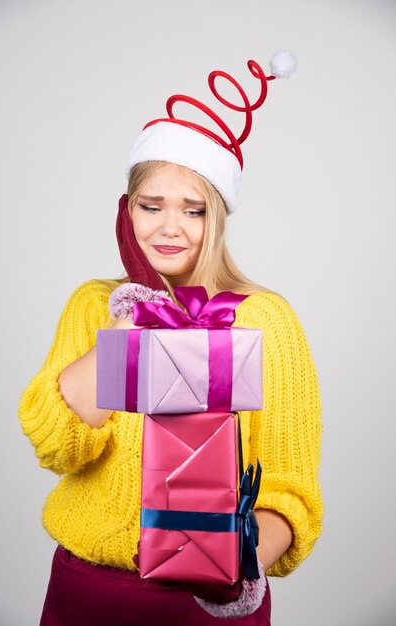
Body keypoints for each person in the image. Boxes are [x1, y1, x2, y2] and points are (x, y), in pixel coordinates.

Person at [18, 51, 322, 626]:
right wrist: (130, 318)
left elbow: (290, 488)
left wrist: (242, 569)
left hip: (209, 603)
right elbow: (57, 444)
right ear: (126, 213)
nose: (169, 227)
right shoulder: (95, 305)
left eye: (193, 210)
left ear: (217, 219)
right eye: (150, 206)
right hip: (86, 591)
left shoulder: (266, 320)